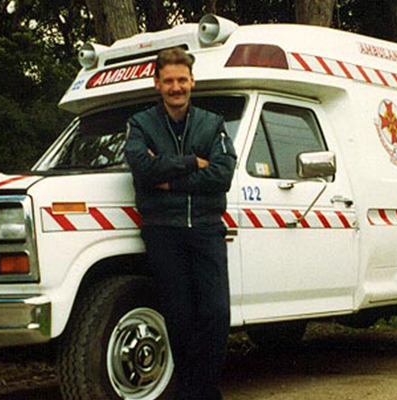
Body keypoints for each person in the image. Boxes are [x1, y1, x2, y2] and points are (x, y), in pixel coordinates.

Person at [124, 47, 237, 400]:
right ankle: (195, 393)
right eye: (169, 80)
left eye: (182, 80)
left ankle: (200, 390)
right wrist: (192, 161)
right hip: (163, 230)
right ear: (156, 83)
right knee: (180, 317)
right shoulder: (141, 124)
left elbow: (223, 174)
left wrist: (170, 178)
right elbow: (142, 170)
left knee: (216, 315)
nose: (176, 87)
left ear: (192, 82)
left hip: (206, 227)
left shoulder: (212, 122)